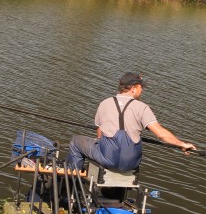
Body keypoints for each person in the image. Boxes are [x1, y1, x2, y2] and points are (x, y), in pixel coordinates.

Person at [67, 72, 196, 172]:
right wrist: (181, 144)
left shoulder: (105, 103)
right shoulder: (143, 108)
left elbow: (100, 132)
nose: (142, 90)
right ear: (133, 88)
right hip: (132, 163)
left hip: (108, 159)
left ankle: (72, 184)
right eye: (141, 87)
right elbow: (161, 134)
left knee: (75, 142)